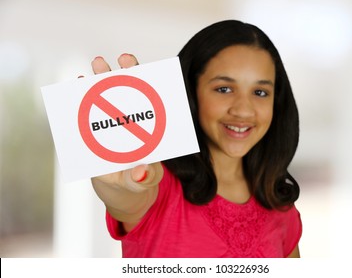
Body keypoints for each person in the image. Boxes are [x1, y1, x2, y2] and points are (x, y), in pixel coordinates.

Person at [90, 20, 302, 258]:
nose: (244, 110)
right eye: (224, 89)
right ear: (190, 91)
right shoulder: (157, 184)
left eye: (260, 92)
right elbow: (127, 197)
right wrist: (116, 184)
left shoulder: (281, 207)